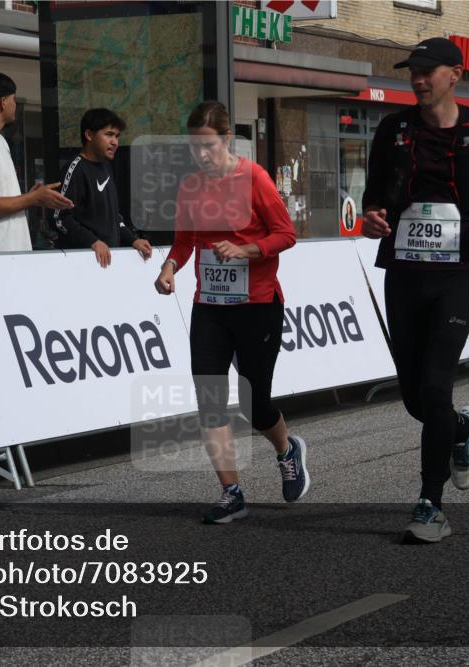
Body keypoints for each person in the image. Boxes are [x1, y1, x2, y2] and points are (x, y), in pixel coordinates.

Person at [361, 37, 469, 543]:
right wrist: (371, 217)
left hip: (458, 272)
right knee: (415, 398)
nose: (418, 79)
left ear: (455, 74)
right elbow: (371, 196)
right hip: (404, 272)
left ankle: (430, 504)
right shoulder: (393, 128)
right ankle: (461, 428)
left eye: (428, 71)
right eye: (413, 71)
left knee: (434, 387)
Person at [154, 100, 307, 525]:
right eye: (194, 147)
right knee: (210, 400)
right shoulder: (190, 186)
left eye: (209, 146)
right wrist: (169, 267)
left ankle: (287, 450)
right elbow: (185, 240)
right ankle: (232, 493)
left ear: (226, 139)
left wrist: (246, 249)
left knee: (255, 406)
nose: (201, 154)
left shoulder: (253, 178)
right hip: (210, 307)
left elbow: (286, 234)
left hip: (257, 305)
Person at [0, 71, 72, 255]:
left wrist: (32, 197)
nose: (15, 105)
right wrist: (33, 198)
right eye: (14, 100)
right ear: (3, 102)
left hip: (9, 254)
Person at [54, 108, 152, 267]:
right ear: (89, 135)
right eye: (109, 135)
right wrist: (92, 241)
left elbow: (114, 217)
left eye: (117, 136)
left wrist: (133, 240)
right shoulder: (75, 169)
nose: (115, 142)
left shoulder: (106, 167)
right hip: (81, 264)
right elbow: (61, 219)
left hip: (107, 263)